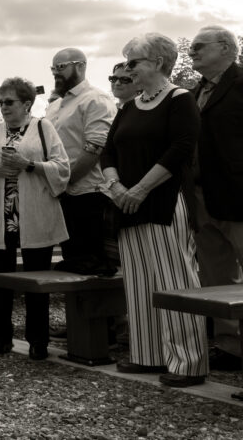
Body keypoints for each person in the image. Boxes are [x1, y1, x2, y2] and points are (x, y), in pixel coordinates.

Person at [100, 33, 208, 387]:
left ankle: (187, 362)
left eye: (133, 62)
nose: (127, 69)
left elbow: (180, 149)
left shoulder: (180, 99)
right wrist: (117, 188)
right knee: (139, 280)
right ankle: (148, 355)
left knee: (175, 280)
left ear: (158, 63)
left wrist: (141, 189)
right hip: (126, 204)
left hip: (163, 201)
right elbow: (108, 153)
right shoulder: (130, 106)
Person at [0, 77, 69, 360]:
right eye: (0, 102)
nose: (3, 107)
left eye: (9, 102)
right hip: (1, 218)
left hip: (34, 216)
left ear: (27, 103)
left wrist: (27, 165)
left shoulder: (43, 127)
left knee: (35, 283)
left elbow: (62, 168)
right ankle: (0, 337)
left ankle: (37, 340)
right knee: (0, 280)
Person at [185, 25, 243, 370]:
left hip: (238, 195)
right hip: (201, 197)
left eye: (198, 46)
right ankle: (230, 347)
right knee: (216, 277)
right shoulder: (193, 94)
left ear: (224, 47)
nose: (191, 52)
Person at [44, 49, 117, 275]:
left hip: (88, 193)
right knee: (73, 261)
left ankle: (105, 311)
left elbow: (95, 148)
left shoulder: (96, 99)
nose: (56, 72)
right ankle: (79, 309)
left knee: (93, 262)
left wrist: (66, 180)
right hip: (61, 192)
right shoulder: (54, 106)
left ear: (81, 66)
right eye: (53, 68)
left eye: (61, 67)